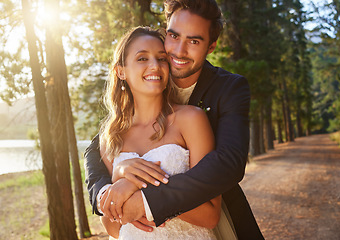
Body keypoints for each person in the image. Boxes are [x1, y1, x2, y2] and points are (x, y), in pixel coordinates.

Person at [85, 0, 264, 239]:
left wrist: (141, 189)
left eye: (194, 41)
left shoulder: (226, 90)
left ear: (211, 46)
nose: (178, 51)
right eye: (173, 36)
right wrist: (114, 179)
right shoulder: (119, 128)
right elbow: (95, 151)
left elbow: (228, 163)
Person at [97, 26, 221, 239]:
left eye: (162, 59)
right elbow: (112, 228)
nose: (155, 66)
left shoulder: (190, 120)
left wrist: (139, 190)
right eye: (142, 58)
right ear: (121, 71)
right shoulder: (111, 137)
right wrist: (119, 175)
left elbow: (210, 215)